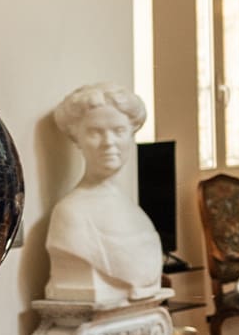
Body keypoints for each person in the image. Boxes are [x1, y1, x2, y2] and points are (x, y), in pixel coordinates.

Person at [40, 84, 166, 309]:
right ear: (77, 139)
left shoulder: (134, 212)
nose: (108, 142)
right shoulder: (70, 214)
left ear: (131, 135)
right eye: (95, 132)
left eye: (119, 131)